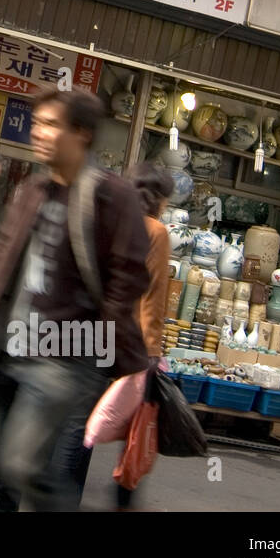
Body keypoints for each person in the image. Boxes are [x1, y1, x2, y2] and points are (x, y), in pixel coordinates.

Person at [0, 89, 150, 512]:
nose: (37, 133)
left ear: (81, 133)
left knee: (20, 463)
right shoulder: (34, 189)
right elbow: (0, 256)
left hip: (68, 354)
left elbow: (127, 282)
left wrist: (132, 366)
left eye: (51, 124)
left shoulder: (111, 196)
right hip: (14, 346)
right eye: (37, 123)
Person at [113, 161, 173, 510]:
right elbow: (154, 296)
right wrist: (153, 351)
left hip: (98, 335)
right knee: (136, 428)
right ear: (159, 199)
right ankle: (123, 499)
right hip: (134, 343)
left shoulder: (116, 223)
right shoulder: (156, 232)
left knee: (87, 420)